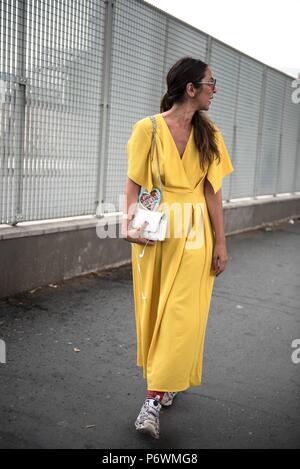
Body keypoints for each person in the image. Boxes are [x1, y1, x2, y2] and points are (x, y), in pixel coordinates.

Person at [122, 57, 234, 439]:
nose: (214, 89)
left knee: (182, 314)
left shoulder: (210, 135)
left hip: (196, 234)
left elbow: (213, 193)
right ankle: (165, 380)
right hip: (156, 234)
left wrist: (221, 242)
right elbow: (134, 184)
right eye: (210, 83)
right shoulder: (147, 130)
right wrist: (129, 222)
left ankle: (151, 402)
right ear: (191, 88)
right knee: (156, 311)